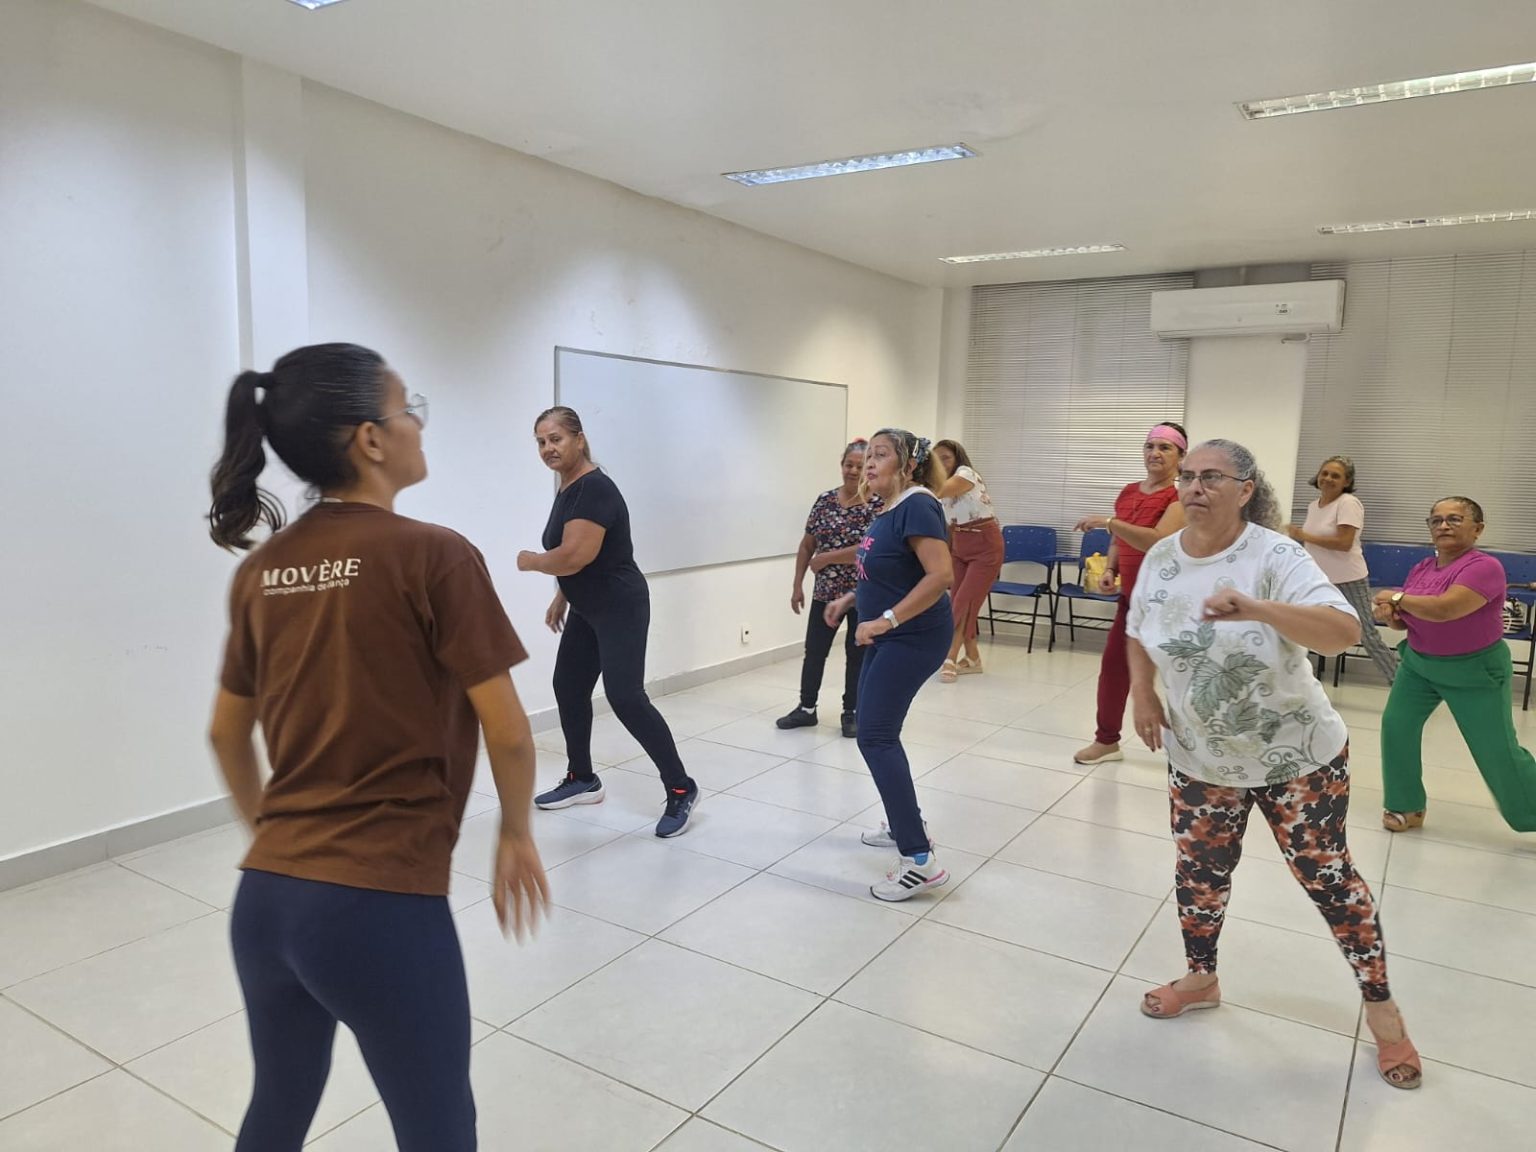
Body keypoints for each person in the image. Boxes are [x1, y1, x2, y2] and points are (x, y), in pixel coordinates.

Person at [206, 343, 551, 1151]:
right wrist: (515, 834)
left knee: (279, 1106)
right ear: (369, 439)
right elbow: (507, 729)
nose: (417, 426)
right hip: (377, 908)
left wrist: (276, 839)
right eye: (408, 410)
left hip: (265, 905)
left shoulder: (261, 571)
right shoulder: (434, 554)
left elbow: (226, 733)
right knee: (439, 1127)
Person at [1126, 438, 1421, 1090]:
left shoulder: (1275, 554)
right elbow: (1138, 629)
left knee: (1331, 884)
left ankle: (1384, 1012)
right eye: (1188, 476)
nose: (1195, 487)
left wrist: (1257, 607)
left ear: (1245, 490)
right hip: (1202, 760)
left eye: (1212, 477)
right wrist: (1142, 690)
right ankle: (1201, 977)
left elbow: (1342, 631)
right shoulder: (1163, 557)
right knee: (1199, 878)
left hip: (1298, 762)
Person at [518, 406, 700, 837]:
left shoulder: (595, 489)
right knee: (568, 685)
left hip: (620, 604)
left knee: (626, 697)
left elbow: (574, 554)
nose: (548, 448)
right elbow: (578, 557)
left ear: (579, 439)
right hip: (587, 605)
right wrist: (562, 596)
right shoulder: (568, 488)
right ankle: (582, 778)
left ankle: (681, 788)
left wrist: (532, 563)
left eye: (556, 439)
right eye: (541, 441)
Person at [824, 429, 954, 901]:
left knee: (875, 736)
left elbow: (941, 575)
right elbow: (894, 571)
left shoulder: (918, 504)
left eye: (881, 455)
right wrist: (852, 598)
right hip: (887, 631)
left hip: (912, 636)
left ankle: (919, 860)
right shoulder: (887, 510)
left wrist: (886, 620)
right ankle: (907, 826)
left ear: (908, 465)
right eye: (868, 455)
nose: (869, 463)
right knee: (879, 733)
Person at [1372, 497, 1536, 834]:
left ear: (1478, 529)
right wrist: (1392, 616)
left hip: (1474, 670)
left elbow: (1446, 609)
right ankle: (1407, 806)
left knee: (1496, 749)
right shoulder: (1422, 568)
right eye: (1436, 520)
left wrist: (1396, 598)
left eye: (1454, 519)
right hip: (1419, 664)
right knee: (1397, 726)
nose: (1443, 525)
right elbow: (1408, 620)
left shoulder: (1485, 567)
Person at [1071, 422, 1188, 766]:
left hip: (1169, 604)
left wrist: (1108, 522)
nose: (1155, 453)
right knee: (1113, 668)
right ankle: (1107, 741)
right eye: (1150, 446)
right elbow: (1120, 541)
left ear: (1182, 457)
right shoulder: (1128, 492)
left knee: (1182, 675)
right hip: (1132, 601)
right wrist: (1111, 570)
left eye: (1165, 448)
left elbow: (1154, 538)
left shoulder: (1179, 498)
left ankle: (1195, 747)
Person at [778, 439, 881, 738]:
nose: (852, 471)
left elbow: (869, 548)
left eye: (860, 466)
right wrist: (797, 583)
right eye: (848, 464)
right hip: (825, 591)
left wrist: (827, 558)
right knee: (815, 651)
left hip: (863, 592)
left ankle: (852, 712)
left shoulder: (877, 504)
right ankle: (806, 708)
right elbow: (807, 543)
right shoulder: (824, 501)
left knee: (857, 653)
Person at [1287, 455, 1398, 683]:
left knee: (1366, 634)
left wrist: (1302, 535)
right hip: (1319, 580)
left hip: (1349, 579)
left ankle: (1399, 681)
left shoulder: (1348, 503)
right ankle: (1297, 679)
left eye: (1335, 476)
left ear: (1347, 482)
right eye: (1324, 473)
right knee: (1303, 627)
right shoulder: (1313, 506)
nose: (1327, 479)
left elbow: (1343, 543)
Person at [932, 439, 1003, 682]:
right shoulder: (942, 488)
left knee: (962, 603)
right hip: (960, 544)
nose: (941, 463)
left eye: (946, 458)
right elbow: (950, 525)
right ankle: (972, 658)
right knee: (962, 602)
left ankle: (949, 657)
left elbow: (939, 490)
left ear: (957, 458)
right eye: (936, 459)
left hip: (985, 544)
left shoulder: (965, 474)